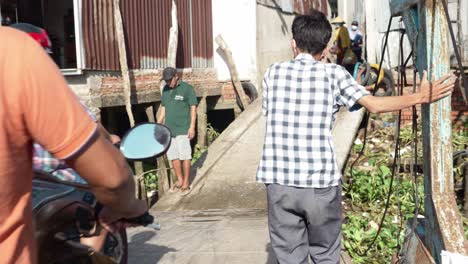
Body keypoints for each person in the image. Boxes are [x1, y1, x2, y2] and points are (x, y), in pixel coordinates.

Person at [257, 11, 455, 264]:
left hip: (279, 182)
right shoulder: (335, 75)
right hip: (319, 182)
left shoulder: (272, 73)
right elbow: (373, 105)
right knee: (326, 255)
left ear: (293, 43)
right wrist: (421, 97)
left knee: (289, 257)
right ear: (327, 46)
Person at [0, 27, 147, 263]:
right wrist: (127, 206)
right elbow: (113, 180)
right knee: (98, 218)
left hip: (39, 187)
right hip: (64, 187)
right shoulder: (13, 53)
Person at [157, 67, 198, 196]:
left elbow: (193, 108)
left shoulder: (187, 88)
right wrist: (159, 123)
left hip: (183, 128)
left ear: (176, 76)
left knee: (185, 156)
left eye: (170, 80)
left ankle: (186, 182)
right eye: (166, 81)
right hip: (169, 130)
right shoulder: (165, 89)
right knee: (173, 156)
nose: (168, 83)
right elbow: (163, 108)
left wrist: (192, 127)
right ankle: (179, 180)